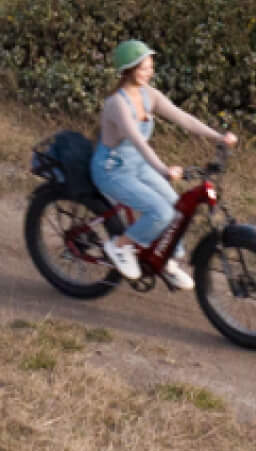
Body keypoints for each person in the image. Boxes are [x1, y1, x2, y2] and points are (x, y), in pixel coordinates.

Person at [92, 39, 236, 289]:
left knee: (176, 209)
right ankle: (119, 247)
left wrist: (218, 137)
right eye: (144, 68)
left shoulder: (149, 94)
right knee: (161, 212)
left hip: (137, 165)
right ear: (128, 70)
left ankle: (164, 258)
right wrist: (163, 170)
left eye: (150, 66)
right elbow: (138, 141)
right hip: (112, 170)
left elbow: (183, 118)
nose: (150, 71)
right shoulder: (117, 103)